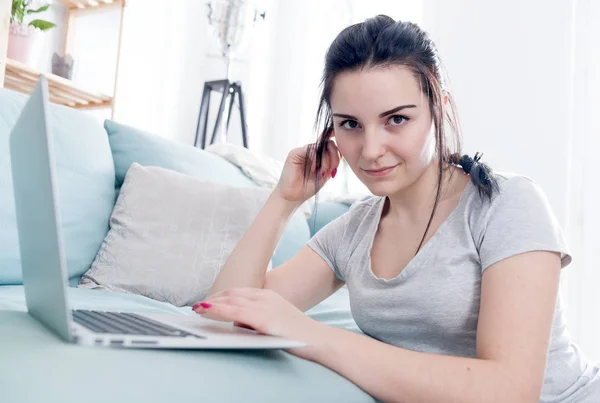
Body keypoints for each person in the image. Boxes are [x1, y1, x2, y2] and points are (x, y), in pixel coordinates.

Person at [192, 15, 600, 403]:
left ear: (438, 107)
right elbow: (223, 317)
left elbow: (510, 392)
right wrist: (283, 201)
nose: (370, 151)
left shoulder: (506, 205)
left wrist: (311, 335)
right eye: (350, 124)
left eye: (397, 120)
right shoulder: (354, 231)